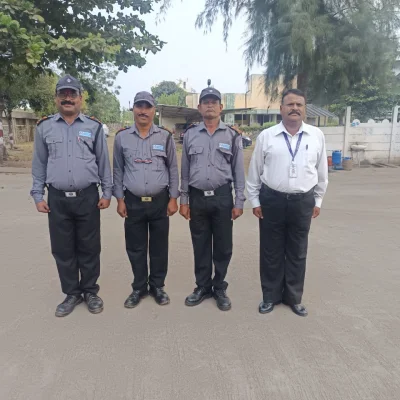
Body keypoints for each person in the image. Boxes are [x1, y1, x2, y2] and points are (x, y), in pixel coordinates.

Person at [30, 74, 113, 317]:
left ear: (80, 98)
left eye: (72, 94)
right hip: (57, 199)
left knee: (89, 247)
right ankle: (72, 293)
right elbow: (39, 163)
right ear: (56, 98)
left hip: (88, 197)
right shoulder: (44, 127)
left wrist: (107, 192)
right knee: (62, 248)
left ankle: (90, 291)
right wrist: (38, 195)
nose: (68, 98)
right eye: (63, 94)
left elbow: (103, 162)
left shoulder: (93, 127)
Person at [247, 88, 328, 317]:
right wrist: (255, 200)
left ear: (305, 109)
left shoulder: (316, 136)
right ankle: (270, 297)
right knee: (270, 251)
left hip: (303, 202)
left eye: (299, 104)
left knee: (297, 251)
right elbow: (254, 171)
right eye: (290, 104)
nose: (294, 108)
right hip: (272, 200)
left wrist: (318, 200)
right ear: (281, 109)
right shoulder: (267, 136)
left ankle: (293, 298)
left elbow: (322, 172)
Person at [180, 86, 246, 311]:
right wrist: (184, 200)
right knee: (200, 245)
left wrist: (239, 201)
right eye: (205, 101)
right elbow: (185, 171)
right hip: (197, 198)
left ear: (221, 107)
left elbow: (238, 171)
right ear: (199, 107)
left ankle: (219, 287)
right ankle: (202, 287)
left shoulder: (232, 135)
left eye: (213, 101)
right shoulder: (190, 135)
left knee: (223, 246)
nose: (210, 105)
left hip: (222, 197)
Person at [113, 91, 179, 308]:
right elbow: (118, 170)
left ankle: (157, 286)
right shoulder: (122, 137)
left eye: (147, 107)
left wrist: (174, 198)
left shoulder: (165, 137)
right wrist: (119, 199)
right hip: (133, 201)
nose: (143, 111)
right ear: (133, 109)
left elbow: (173, 169)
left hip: (160, 200)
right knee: (136, 247)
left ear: (154, 111)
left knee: (159, 247)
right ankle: (139, 287)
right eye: (139, 106)